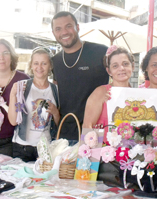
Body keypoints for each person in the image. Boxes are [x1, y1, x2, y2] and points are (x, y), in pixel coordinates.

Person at [51, 11, 109, 144]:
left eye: (68, 26)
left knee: (91, 165)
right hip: (64, 133)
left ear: (77, 27)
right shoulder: (55, 61)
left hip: (96, 132)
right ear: (54, 33)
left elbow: (120, 80)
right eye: (58, 29)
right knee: (64, 165)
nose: (64, 32)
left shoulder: (101, 52)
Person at [8, 48, 60, 162]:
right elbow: (13, 121)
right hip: (22, 147)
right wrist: (13, 95)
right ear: (31, 65)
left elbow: (58, 124)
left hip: (45, 148)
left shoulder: (55, 90)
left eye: (44, 63)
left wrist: (55, 112)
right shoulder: (22, 87)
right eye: (36, 63)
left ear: (50, 66)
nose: (39, 67)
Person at [83, 45, 134, 144]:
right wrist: (93, 155)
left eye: (125, 64)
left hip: (130, 154)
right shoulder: (101, 92)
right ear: (109, 71)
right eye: (115, 66)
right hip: (102, 153)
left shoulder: (137, 95)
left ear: (133, 66)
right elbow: (87, 126)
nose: (121, 68)